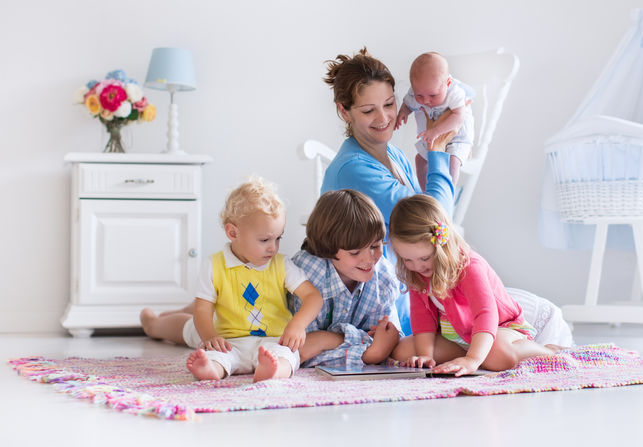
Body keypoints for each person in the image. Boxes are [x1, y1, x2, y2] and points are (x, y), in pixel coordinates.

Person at [321, 47, 457, 333]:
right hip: (375, 310)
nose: (384, 118)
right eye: (368, 110)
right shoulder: (353, 169)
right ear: (344, 111)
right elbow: (434, 217)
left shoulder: (393, 154)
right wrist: (438, 152)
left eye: (389, 104)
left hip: (406, 295)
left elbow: (430, 214)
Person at [148, 177, 324, 382]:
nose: (273, 247)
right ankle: (208, 367)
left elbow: (313, 296)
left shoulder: (281, 264)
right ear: (233, 232)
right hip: (230, 341)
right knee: (217, 355)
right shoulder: (214, 265)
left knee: (287, 356)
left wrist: (298, 324)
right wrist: (210, 337)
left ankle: (273, 371)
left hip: (273, 341)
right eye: (264, 239)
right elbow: (202, 309)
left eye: (278, 238)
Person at [389, 194, 558, 376]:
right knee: (402, 350)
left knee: (497, 356)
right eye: (408, 259)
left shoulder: (469, 266)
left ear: (442, 246)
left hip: (499, 329)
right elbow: (421, 318)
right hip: (458, 337)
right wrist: (425, 355)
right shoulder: (417, 273)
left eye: (424, 258)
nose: (417, 266)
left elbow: (486, 314)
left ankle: (550, 351)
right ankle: (474, 357)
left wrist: (473, 359)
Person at [288, 189, 402, 369]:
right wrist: (368, 353)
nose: (369, 259)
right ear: (328, 249)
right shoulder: (309, 274)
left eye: (375, 245)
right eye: (355, 252)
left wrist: (325, 339)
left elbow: (389, 343)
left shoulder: (383, 278)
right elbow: (300, 352)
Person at [396, 52, 474, 187]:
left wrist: (436, 131)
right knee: (420, 160)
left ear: (447, 83)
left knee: (453, 161)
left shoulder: (454, 92)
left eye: (433, 95)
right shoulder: (416, 93)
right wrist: (403, 112)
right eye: (419, 95)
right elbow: (408, 104)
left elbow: (458, 116)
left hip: (457, 137)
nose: (426, 101)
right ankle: (426, 194)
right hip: (431, 137)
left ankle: (448, 190)